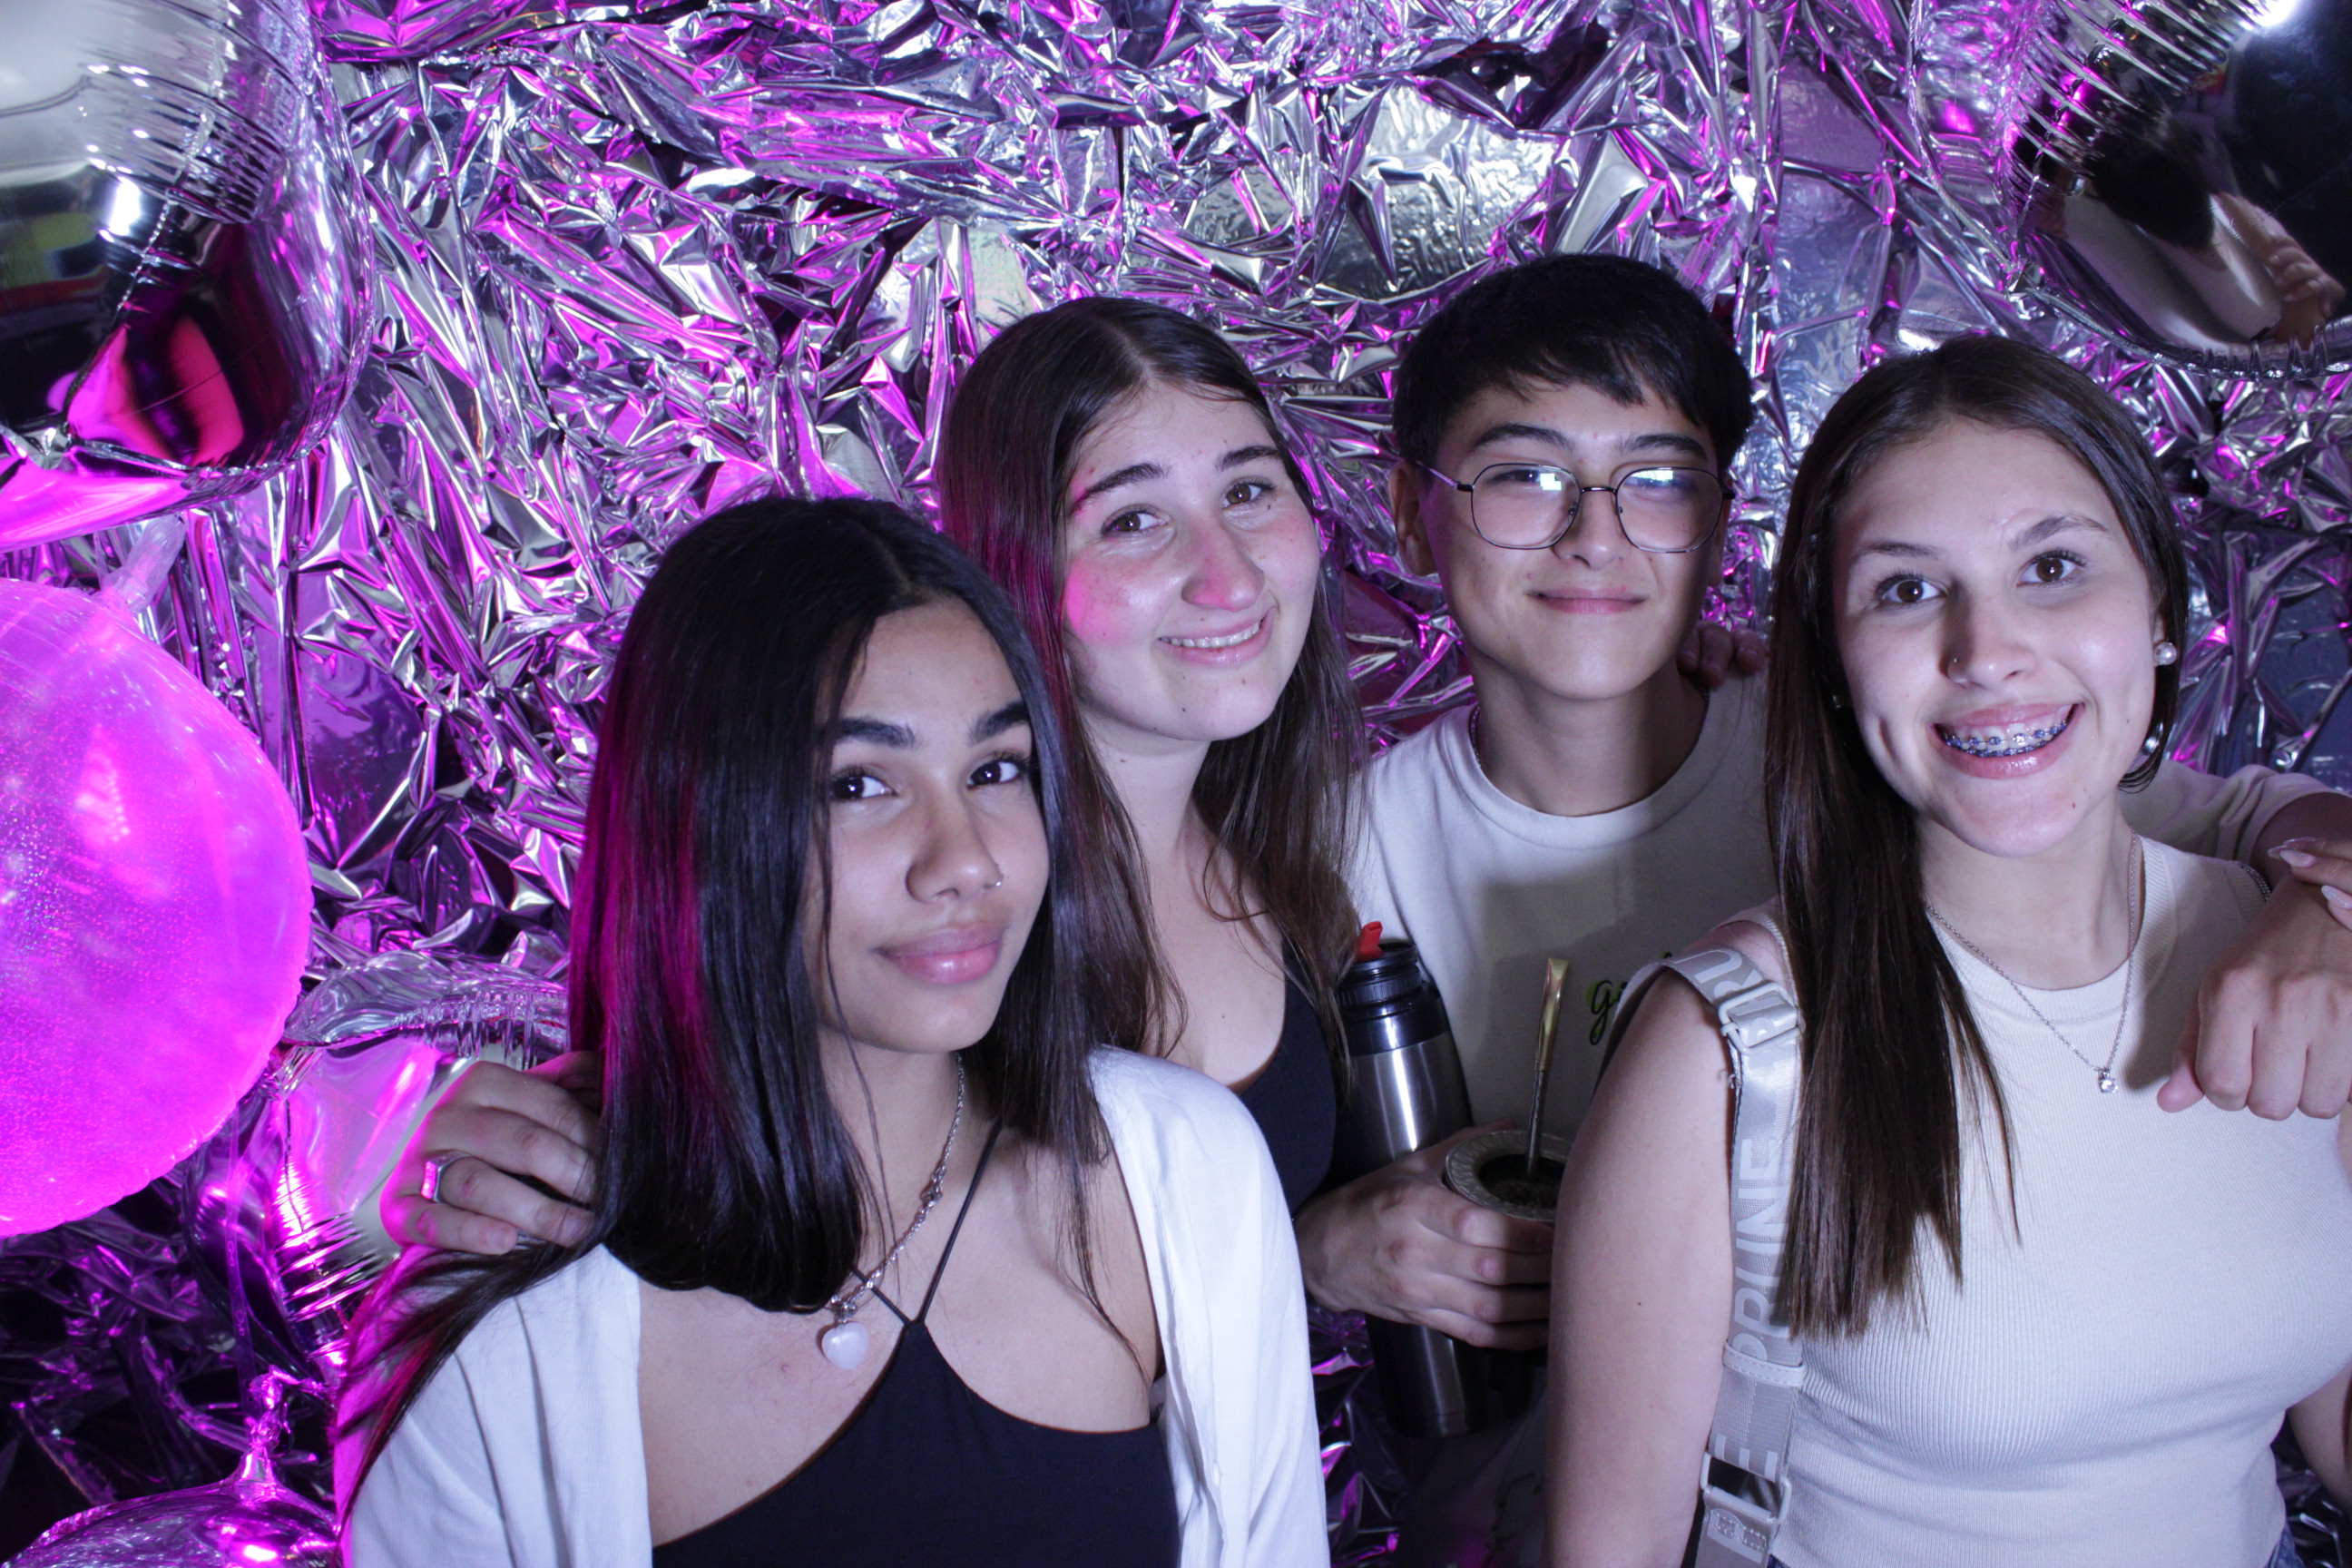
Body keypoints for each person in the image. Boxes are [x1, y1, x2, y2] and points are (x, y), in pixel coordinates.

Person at [334, 499, 1324, 1567]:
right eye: (859, 785)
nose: (965, 862)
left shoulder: (1184, 1174)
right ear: (703, 822)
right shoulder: (501, 1331)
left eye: (996, 769)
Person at [1548, 335, 2352, 1568]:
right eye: (1907, 590)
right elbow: (1611, 1550)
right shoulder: (1724, 1052)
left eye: (2053, 567)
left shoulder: (2301, 960)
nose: (1987, 652)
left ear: (2158, 608)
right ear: (1832, 661)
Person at [368, 299, 1362, 1263]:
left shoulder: (1308, 851)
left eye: (1248, 491)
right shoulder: (936, 915)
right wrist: (525, 1151)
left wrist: (1319, 1252)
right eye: (1134, 519)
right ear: (1014, 564)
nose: (1230, 578)